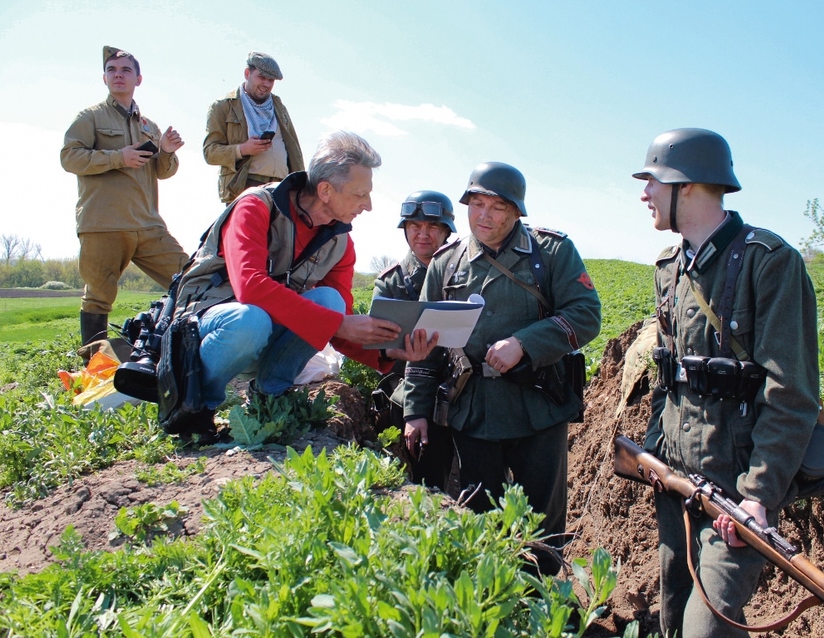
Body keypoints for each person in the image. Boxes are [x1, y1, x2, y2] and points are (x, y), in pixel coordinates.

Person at [633, 128, 819, 638]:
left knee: (705, 630)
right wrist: (652, 454)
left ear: (686, 185)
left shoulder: (770, 262)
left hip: (735, 494)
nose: (643, 193)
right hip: (674, 480)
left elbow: (792, 393)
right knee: (673, 616)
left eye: (652, 181)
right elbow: (666, 376)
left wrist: (758, 495)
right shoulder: (670, 269)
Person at [171, 131, 437, 442]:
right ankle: (195, 408)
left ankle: (269, 395)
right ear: (325, 190)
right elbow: (251, 287)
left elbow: (341, 322)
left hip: (259, 329)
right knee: (251, 319)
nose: (368, 206)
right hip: (204, 321)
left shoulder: (340, 242)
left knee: (330, 301)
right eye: (359, 194)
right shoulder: (256, 207)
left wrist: (386, 351)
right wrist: (339, 324)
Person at [402, 162, 601, 575]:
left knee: (542, 524)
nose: (484, 216)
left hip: (538, 406)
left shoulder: (551, 253)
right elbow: (426, 346)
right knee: (480, 518)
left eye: (496, 207)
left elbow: (585, 315)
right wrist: (415, 411)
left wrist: (525, 344)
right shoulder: (446, 263)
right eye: (476, 204)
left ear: (516, 212)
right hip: (474, 409)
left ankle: (543, 604)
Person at [61, 46, 189, 354]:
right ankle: (95, 370)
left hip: (147, 225)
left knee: (186, 277)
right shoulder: (90, 117)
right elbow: (69, 157)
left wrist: (168, 151)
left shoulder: (149, 126)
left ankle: (180, 353)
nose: (118, 75)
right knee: (99, 296)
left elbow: (163, 171)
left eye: (125, 70)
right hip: (104, 224)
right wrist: (119, 157)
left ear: (138, 79)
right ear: (104, 78)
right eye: (112, 70)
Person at [372, 190, 457, 490]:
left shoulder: (465, 272)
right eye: (415, 227)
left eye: (433, 227)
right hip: (409, 389)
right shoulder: (392, 282)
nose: (423, 234)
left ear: (447, 231)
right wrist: (397, 350)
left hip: (462, 385)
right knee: (426, 482)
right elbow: (377, 343)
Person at [203, 51, 304, 204]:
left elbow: (293, 148)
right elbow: (210, 153)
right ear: (247, 73)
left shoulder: (279, 106)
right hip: (245, 187)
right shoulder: (223, 106)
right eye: (262, 77)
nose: (266, 84)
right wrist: (242, 149)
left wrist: (301, 186)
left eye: (271, 80)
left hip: (282, 189)